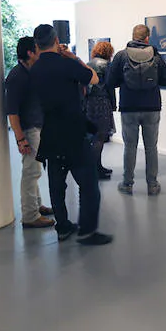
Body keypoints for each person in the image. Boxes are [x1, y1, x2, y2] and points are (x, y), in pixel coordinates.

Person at [29, 24, 113, 246]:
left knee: (56, 186)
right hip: (73, 133)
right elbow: (94, 78)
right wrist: (73, 57)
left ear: (37, 44)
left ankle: (63, 227)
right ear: (56, 41)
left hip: (50, 134)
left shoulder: (35, 69)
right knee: (89, 185)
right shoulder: (66, 63)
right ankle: (87, 232)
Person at [105, 24, 166, 196]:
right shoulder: (155, 56)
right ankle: (153, 185)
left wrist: (125, 83)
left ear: (133, 36)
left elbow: (110, 82)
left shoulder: (121, 56)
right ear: (147, 38)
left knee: (130, 146)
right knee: (151, 147)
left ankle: (127, 184)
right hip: (152, 106)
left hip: (129, 107)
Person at [5, 36, 54, 229]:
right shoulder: (17, 76)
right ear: (29, 53)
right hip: (29, 129)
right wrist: (20, 139)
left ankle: (36, 206)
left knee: (35, 170)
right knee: (31, 172)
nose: (41, 52)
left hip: (37, 127)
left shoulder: (30, 72)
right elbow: (12, 112)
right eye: (37, 49)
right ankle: (30, 215)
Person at [86, 41, 117, 180]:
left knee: (94, 137)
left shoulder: (88, 63)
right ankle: (95, 170)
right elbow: (110, 86)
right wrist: (114, 104)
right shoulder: (107, 65)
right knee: (100, 137)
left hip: (90, 103)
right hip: (102, 103)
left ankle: (97, 167)